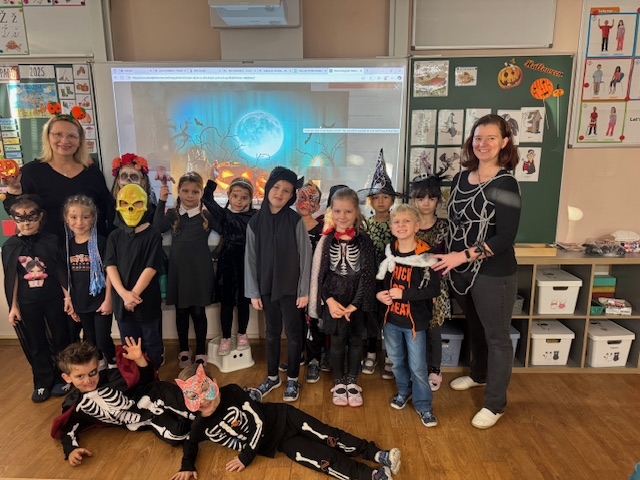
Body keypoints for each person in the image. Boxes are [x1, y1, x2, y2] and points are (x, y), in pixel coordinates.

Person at [432, 114, 521, 429]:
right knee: (475, 325)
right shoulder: (460, 179)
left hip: (493, 273)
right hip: (461, 271)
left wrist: (461, 256)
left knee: (497, 337)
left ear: (504, 142)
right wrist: (448, 258)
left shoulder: (506, 184)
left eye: (491, 138)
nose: (483, 144)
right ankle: (479, 375)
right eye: (478, 138)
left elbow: (505, 237)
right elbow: (455, 223)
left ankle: (495, 404)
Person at [171, 364, 400, 480]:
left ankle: (376, 454)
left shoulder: (232, 392)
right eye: (194, 396)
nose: (203, 400)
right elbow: (191, 441)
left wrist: (245, 456)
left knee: (328, 436)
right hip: (278, 443)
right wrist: (187, 465)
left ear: (214, 382)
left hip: (283, 417)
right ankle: (370, 476)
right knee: (320, 459)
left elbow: (258, 421)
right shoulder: (201, 425)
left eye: (204, 390)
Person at [51, 338, 193, 467]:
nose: (88, 380)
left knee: (163, 391)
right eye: (80, 376)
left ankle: (198, 408)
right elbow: (67, 429)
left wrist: (140, 360)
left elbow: (147, 383)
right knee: (177, 435)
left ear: (98, 367)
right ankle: (191, 419)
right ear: (67, 378)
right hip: (146, 419)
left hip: (151, 397)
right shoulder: (75, 405)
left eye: (92, 373)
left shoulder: (111, 378)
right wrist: (71, 449)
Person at [245, 166, 311, 402]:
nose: (280, 193)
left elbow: (305, 257)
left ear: (292, 195)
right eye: (276, 187)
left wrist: (304, 291)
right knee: (271, 333)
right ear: (268, 188)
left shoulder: (295, 221)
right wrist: (254, 292)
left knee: (293, 334)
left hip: (291, 289)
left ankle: (292, 378)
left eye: (286, 191)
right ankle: (272, 376)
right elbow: (251, 259)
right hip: (266, 288)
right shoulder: (254, 222)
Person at [2, 194, 75, 402]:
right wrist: (13, 307)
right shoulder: (10, 246)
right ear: (13, 219)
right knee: (36, 342)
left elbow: (61, 271)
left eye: (31, 217)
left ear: (40, 216)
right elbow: (12, 278)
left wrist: (67, 297)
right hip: (28, 302)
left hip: (53, 299)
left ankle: (63, 376)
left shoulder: (51, 240)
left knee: (60, 337)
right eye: (20, 218)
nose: (26, 223)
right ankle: (42, 380)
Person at [2, 104, 113, 241]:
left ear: (80, 141)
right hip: (46, 250)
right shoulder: (31, 172)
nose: (64, 141)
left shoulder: (92, 173)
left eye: (71, 136)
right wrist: (14, 190)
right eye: (58, 134)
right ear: (47, 137)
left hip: (89, 250)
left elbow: (107, 212)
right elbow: (15, 212)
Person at [308, 187, 376, 407]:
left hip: (357, 300)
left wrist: (355, 304)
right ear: (331, 212)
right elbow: (320, 275)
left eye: (348, 211)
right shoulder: (326, 240)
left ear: (356, 212)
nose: (343, 216)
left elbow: (367, 275)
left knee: (356, 341)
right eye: (338, 211)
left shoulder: (364, 241)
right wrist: (328, 300)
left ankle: (352, 380)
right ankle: (339, 381)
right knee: (337, 341)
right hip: (334, 300)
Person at [376, 204, 440, 427]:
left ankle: (424, 404)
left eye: (406, 221)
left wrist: (405, 294)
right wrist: (380, 294)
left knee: (418, 366)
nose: (401, 225)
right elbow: (381, 280)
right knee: (396, 361)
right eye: (396, 221)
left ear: (417, 226)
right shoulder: (389, 252)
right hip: (391, 320)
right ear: (391, 226)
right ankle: (404, 391)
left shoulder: (426, 256)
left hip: (414, 323)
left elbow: (434, 289)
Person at [153, 171, 215, 366]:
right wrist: (162, 201)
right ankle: (183, 350)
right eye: (185, 190)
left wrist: (217, 254)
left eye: (195, 191)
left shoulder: (206, 215)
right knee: (181, 312)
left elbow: (226, 230)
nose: (190, 195)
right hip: (179, 271)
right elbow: (157, 228)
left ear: (201, 193)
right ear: (178, 191)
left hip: (200, 271)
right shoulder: (173, 214)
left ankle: (201, 351)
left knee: (198, 312)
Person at [105, 184, 164, 369]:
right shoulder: (114, 236)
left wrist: (134, 295)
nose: (130, 209)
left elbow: (151, 267)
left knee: (151, 339)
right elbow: (110, 266)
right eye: (125, 203)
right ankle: (135, 376)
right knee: (129, 342)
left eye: (136, 203)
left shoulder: (153, 235)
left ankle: (153, 374)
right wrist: (124, 294)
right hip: (122, 302)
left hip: (146, 300)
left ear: (145, 205)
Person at [358, 149, 402, 380]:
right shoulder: (365, 224)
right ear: (371, 201)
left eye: (385, 197)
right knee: (371, 317)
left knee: (391, 318)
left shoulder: (398, 223)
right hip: (370, 278)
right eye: (376, 197)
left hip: (393, 279)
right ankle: (372, 353)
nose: (381, 201)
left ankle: (390, 357)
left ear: (392, 200)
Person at [202, 176, 257, 356]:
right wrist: (212, 177)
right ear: (229, 195)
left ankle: (242, 334)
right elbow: (207, 199)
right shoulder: (224, 215)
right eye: (235, 196)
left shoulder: (255, 216)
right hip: (227, 263)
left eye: (244, 197)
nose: (239, 201)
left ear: (250, 198)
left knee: (243, 302)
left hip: (246, 264)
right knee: (226, 303)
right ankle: (225, 337)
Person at [408, 173, 451, 391]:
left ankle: (434, 369)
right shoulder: (409, 226)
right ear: (413, 200)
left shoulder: (444, 227)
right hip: (411, 287)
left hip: (436, 288)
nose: (426, 203)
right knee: (415, 330)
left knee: (433, 330)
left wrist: (433, 290)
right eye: (420, 198)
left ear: (438, 201)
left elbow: (446, 260)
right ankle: (416, 369)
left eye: (431, 198)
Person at [63, 194, 116, 365]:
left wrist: (109, 300)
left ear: (93, 218)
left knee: (102, 338)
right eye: (73, 217)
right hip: (81, 302)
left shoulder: (102, 243)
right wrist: (69, 300)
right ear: (66, 218)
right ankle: (99, 365)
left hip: (101, 302)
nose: (79, 222)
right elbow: (65, 276)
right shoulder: (67, 246)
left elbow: (110, 273)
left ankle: (113, 363)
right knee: (90, 339)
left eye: (85, 217)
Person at [293, 181, 325, 383]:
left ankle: (314, 359)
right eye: (301, 197)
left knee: (313, 321)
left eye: (311, 199)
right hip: (292, 283)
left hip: (314, 285)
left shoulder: (322, 230)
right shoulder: (289, 226)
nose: (305, 203)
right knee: (294, 321)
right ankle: (297, 354)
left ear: (318, 205)